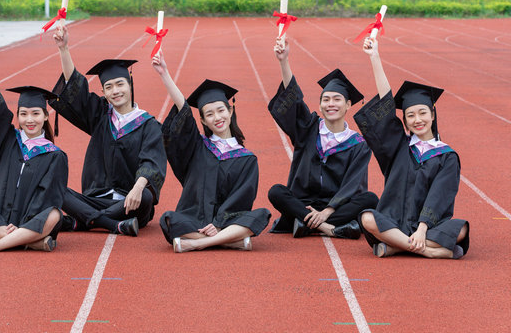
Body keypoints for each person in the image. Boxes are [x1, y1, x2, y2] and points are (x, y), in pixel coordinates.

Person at [354, 37, 469, 259]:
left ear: (433, 115)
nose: (418, 119)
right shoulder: (399, 146)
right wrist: (375, 57)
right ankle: (431, 252)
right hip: (393, 220)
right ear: (404, 121)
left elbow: (440, 195)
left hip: (428, 227)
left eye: (423, 113)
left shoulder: (447, 156)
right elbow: (386, 107)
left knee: (461, 229)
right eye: (410, 115)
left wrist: (423, 227)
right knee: (368, 218)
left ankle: (397, 246)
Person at [49, 25, 166, 236]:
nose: (115, 91)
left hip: (130, 201)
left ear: (130, 84)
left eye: (120, 84)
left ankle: (83, 220)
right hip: (97, 196)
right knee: (54, 186)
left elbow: (152, 161)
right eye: (109, 87)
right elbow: (77, 91)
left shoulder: (148, 124)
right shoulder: (101, 115)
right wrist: (63, 49)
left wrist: (138, 188)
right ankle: (111, 224)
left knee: (146, 197)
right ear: (103, 91)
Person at [152, 51, 271, 253]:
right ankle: (230, 241)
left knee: (261, 215)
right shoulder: (198, 147)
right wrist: (164, 74)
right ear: (202, 121)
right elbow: (184, 113)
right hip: (194, 217)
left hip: (227, 221)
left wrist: (218, 224)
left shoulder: (247, 159)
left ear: (230, 111)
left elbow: (242, 199)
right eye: (209, 114)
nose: (217, 117)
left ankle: (198, 243)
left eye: (221, 110)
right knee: (169, 219)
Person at [0, 37, 68, 253]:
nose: (30, 120)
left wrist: (26, 222)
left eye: (36, 114)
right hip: (0, 218)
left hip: (31, 220)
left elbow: (48, 197)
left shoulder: (55, 156)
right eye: (24, 114)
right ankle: (29, 242)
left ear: (46, 116)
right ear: (17, 116)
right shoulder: (8, 140)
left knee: (55, 215)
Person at [267, 37, 378, 239]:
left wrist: (328, 210)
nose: (331, 104)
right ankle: (329, 229)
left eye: (337, 99)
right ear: (319, 106)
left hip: (335, 206)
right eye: (326, 99)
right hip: (303, 201)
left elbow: (353, 184)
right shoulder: (308, 129)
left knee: (370, 199)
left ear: (348, 105)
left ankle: (305, 222)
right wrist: (284, 61)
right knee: (276, 191)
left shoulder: (358, 145)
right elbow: (294, 101)